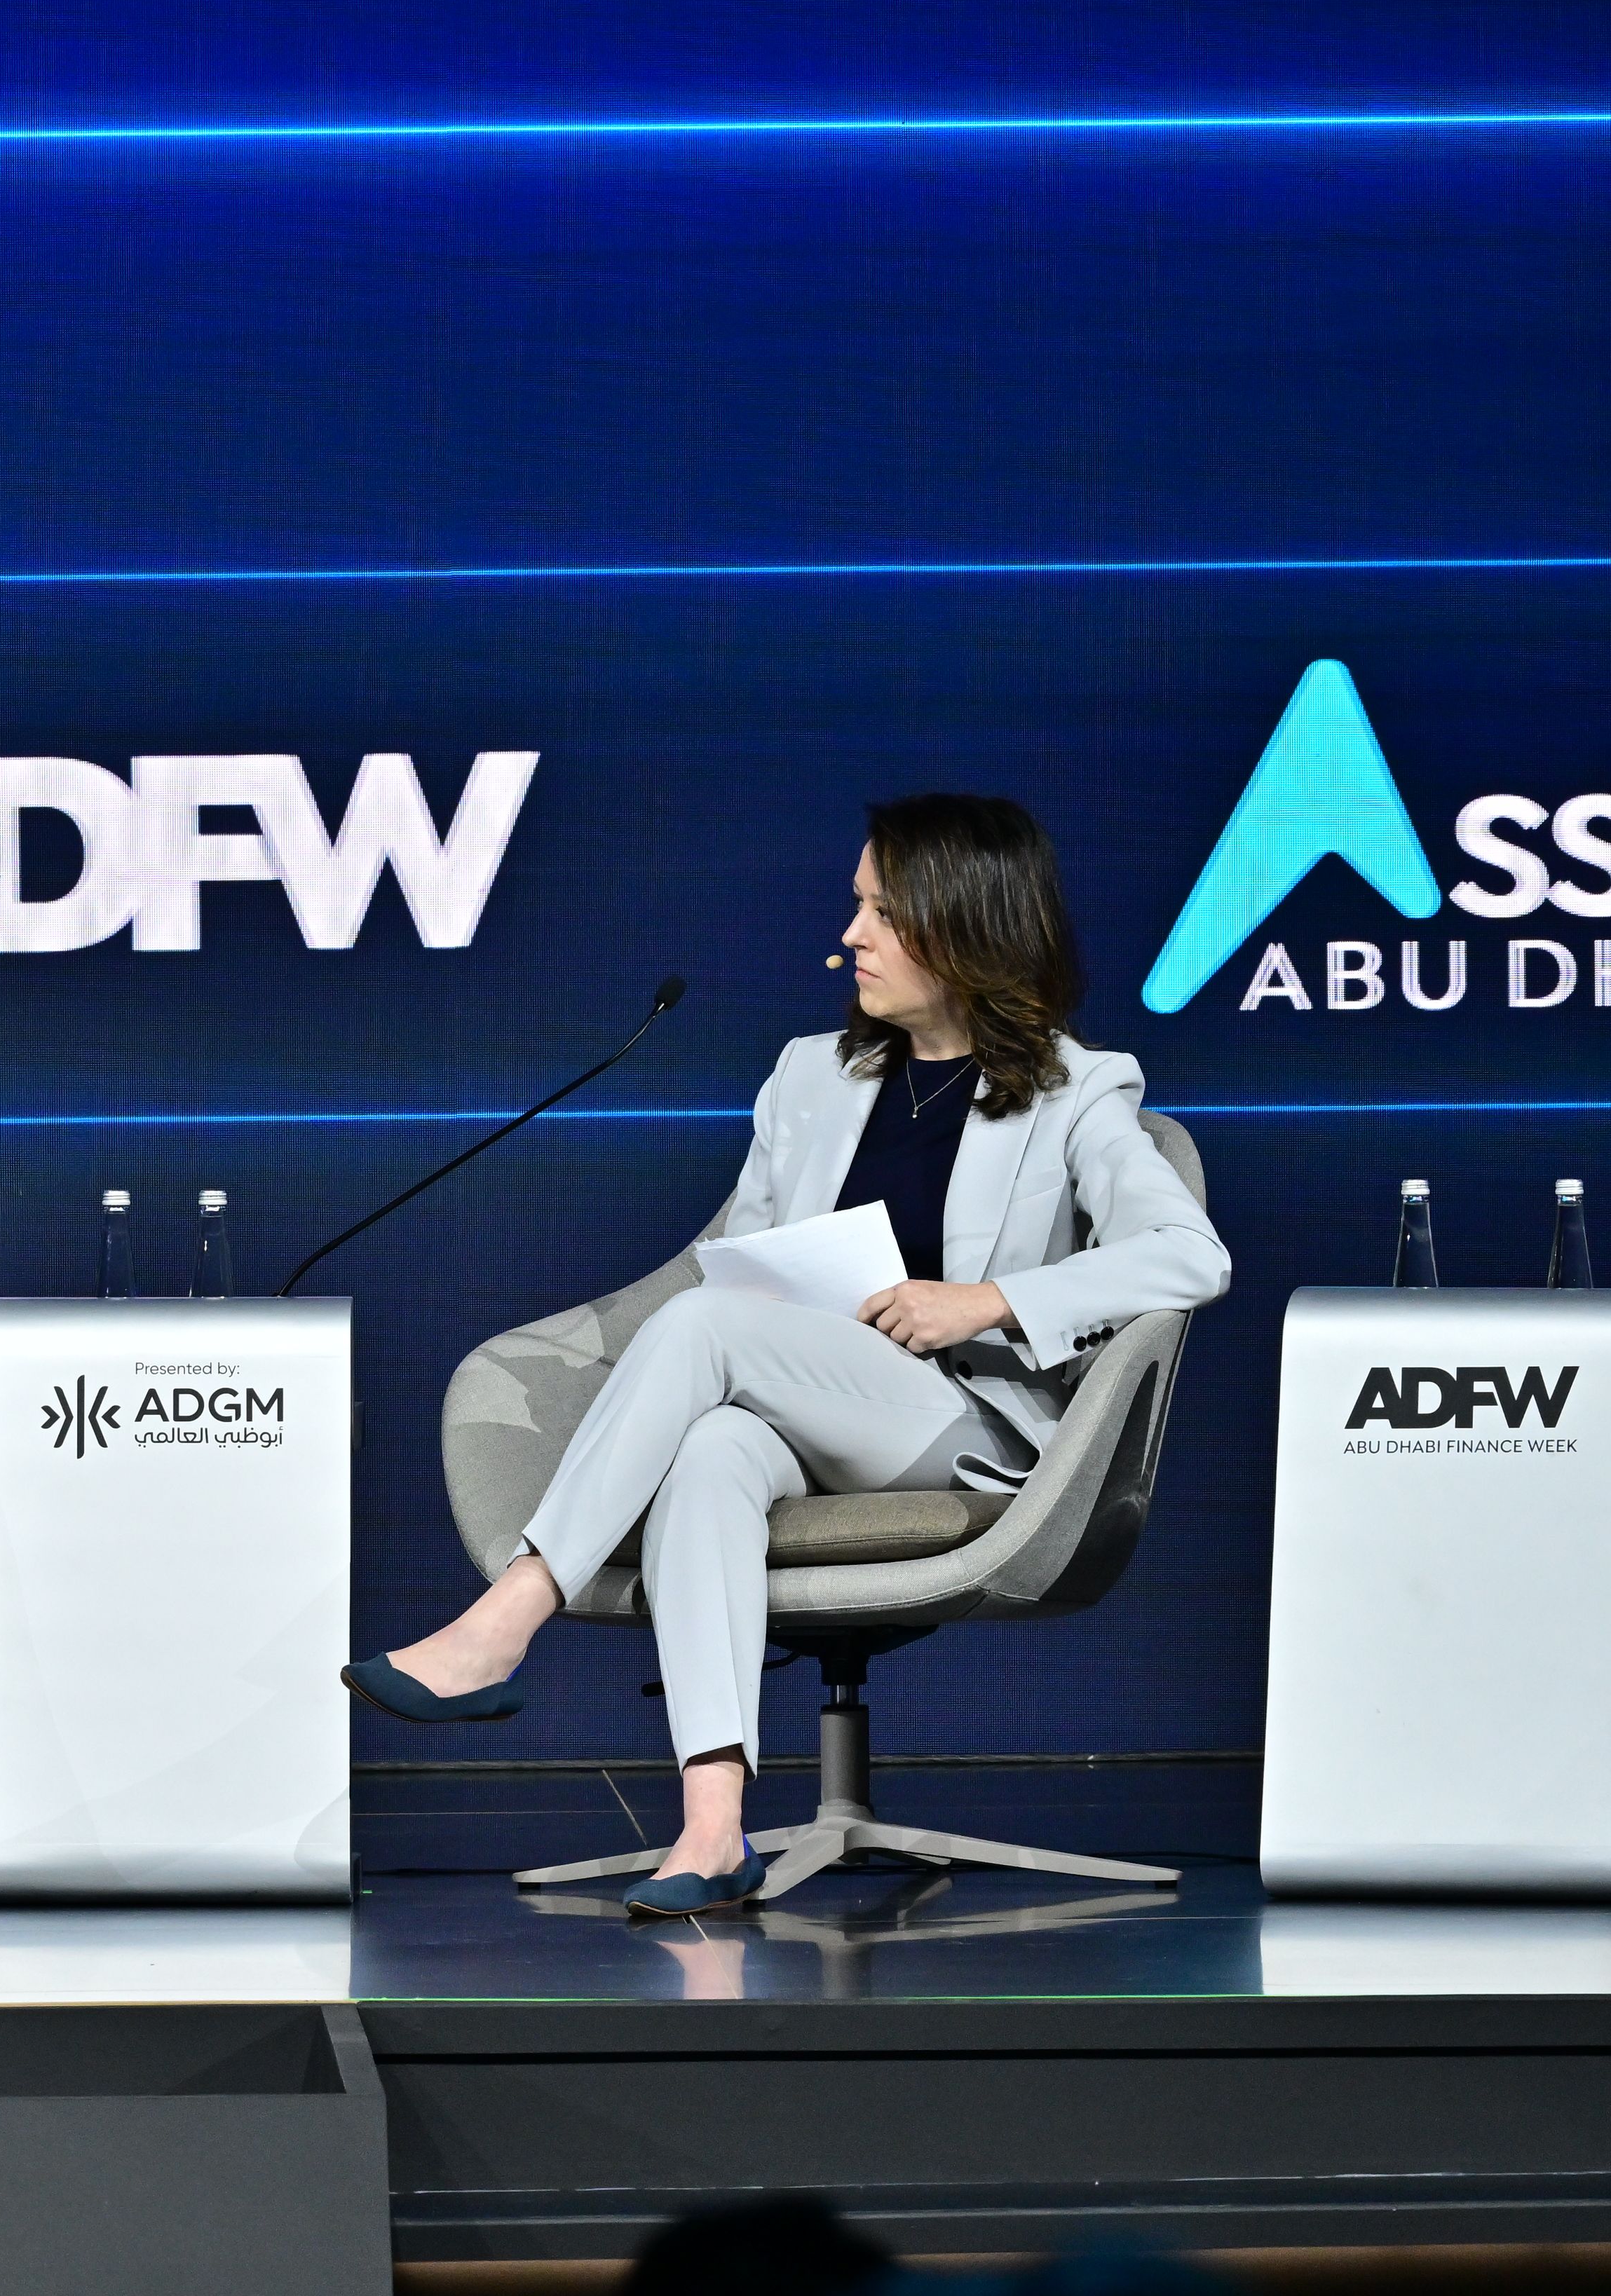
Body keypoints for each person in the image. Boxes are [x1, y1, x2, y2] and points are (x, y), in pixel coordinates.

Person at [342, 795, 1225, 1916]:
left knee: (710, 1334)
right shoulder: (812, 1077)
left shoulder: (1076, 1089)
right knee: (710, 1447)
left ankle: (512, 1613)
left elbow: (1188, 1257)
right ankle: (713, 1828)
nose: (848, 935)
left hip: (966, 1431)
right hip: (809, 1408)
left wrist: (989, 1302)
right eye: (856, 904)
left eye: (880, 911)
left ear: (966, 924)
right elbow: (734, 1260)